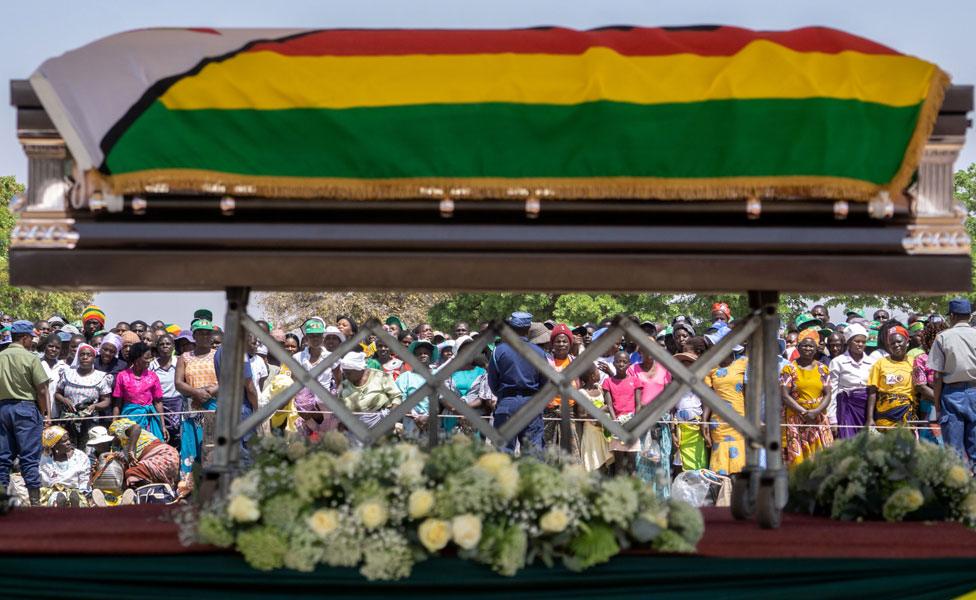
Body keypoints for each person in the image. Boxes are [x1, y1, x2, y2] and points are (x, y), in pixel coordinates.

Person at [0, 320, 52, 506]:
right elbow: (42, 390)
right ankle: (35, 504)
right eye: (31, 337)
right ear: (24, 338)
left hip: (2, 410)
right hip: (25, 409)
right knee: (29, 459)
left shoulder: (1, 356)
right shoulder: (31, 358)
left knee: (3, 459)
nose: (33, 341)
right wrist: (45, 413)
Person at [488, 312, 548, 454]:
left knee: (503, 453)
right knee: (533, 453)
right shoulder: (539, 353)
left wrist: (505, 396)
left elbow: (492, 382)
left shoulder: (498, 351)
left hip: (506, 403)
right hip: (531, 404)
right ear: (528, 329)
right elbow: (545, 384)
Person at [926, 298, 976, 464]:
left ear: (952, 316)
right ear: (969, 316)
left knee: (953, 452)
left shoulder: (943, 338)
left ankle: (957, 488)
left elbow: (937, 376)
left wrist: (938, 404)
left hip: (952, 395)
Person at [780, 330, 833, 466]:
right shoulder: (789, 369)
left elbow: (827, 394)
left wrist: (815, 412)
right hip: (796, 418)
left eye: (811, 346)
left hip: (818, 418)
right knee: (798, 459)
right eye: (804, 345)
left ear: (816, 349)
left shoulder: (823, 369)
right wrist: (804, 413)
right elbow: (785, 395)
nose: (808, 348)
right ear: (798, 347)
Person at [175, 319, 219, 477]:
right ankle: (188, 487)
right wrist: (196, 392)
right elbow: (178, 383)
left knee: (211, 447)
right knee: (191, 447)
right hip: (192, 408)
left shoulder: (219, 355)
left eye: (208, 333)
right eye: (201, 333)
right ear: (194, 336)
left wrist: (211, 391)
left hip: (214, 407)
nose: (205, 337)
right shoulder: (184, 357)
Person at [628, 346, 673, 495]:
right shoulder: (633, 370)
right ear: (640, 352)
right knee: (642, 461)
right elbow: (631, 395)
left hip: (661, 422)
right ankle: (645, 499)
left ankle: (663, 500)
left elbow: (668, 397)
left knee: (662, 461)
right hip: (641, 422)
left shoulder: (663, 370)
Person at [55, 343, 113, 449]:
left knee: (88, 447)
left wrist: (94, 406)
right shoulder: (68, 373)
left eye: (88, 355)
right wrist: (64, 400)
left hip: (90, 420)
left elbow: (107, 400)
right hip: (69, 419)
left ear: (94, 357)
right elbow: (57, 393)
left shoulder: (101, 376)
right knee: (68, 447)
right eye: (82, 354)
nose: (85, 357)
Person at [827, 324, 874, 439]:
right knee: (848, 443)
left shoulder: (872, 362)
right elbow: (832, 391)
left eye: (863, 341)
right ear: (848, 343)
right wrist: (832, 419)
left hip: (867, 409)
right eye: (857, 341)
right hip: (846, 409)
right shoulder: (838, 362)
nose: (860, 344)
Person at [704, 353, 748, 476]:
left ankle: (738, 493)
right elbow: (708, 396)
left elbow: (750, 391)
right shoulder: (711, 367)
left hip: (740, 418)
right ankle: (723, 494)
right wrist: (705, 422)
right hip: (718, 422)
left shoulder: (744, 362)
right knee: (720, 465)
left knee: (740, 464)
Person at [601, 350, 644, 475]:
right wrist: (616, 422)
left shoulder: (635, 381)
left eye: (624, 362)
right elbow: (609, 404)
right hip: (617, 425)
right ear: (613, 363)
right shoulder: (608, 382)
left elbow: (638, 404)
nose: (621, 364)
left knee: (632, 463)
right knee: (619, 463)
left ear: (629, 364)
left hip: (632, 425)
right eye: (618, 361)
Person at [113, 342, 166, 440]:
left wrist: (162, 426)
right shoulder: (122, 376)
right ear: (137, 358)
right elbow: (118, 404)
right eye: (146, 358)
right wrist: (114, 424)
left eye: (151, 358)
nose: (149, 361)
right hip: (130, 419)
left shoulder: (153, 376)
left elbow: (158, 402)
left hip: (149, 420)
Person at [867, 326, 915, 431]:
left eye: (899, 342)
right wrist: (870, 418)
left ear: (907, 342)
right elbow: (872, 392)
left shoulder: (914, 363)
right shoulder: (880, 363)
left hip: (906, 414)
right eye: (892, 343)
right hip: (884, 415)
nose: (896, 345)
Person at [109, 418, 180, 489]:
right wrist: (123, 460)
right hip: (169, 458)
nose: (114, 440)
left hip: (163, 456)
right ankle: (153, 495)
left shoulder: (127, 433)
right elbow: (131, 463)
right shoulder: (124, 445)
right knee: (130, 475)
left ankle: (146, 493)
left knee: (132, 473)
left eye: (114, 436)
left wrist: (131, 451)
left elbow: (136, 427)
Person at [338, 352, 402, 430]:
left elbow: (397, 397)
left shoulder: (380, 376)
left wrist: (390, 417)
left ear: (359, 369)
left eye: (348, 373)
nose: (345, 375)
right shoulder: (345, 385)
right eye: (343, 372)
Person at [913, 319, 949, 445]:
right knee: (930, 442)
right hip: (930, 406)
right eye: (935, 340)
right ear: (928, 341)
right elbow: (920, 387)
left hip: (951, 405)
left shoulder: (950, 357)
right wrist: (942, 400)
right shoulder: (921, 359)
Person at [39, 425, 93, 507]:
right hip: (53, 492)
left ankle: (74, 505)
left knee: (78, 500)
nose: (68, 443)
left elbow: (84, 480)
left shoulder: (80, 456)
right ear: (54, 445)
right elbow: (45, 482)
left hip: (76, 492)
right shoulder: (44, 460)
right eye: (64, 441)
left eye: (68, 439)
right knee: (55, 500)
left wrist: (84, 492)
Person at [151, 334, 182, 445]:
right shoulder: (151, 366)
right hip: (159, 403)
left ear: (173, 346)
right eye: (162, 344)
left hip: (178, 403)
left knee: (179, 434)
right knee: (162, 434)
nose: (165, 346)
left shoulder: (180, 362)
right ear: (157, 347)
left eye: (168, 344)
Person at [38, 333, 66, 420]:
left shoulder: (64, 367)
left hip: (59, 413)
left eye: (57, 348)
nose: (53, 349)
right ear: (45, 347)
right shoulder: (37, 364)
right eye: (50, 346)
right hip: (40, 412)